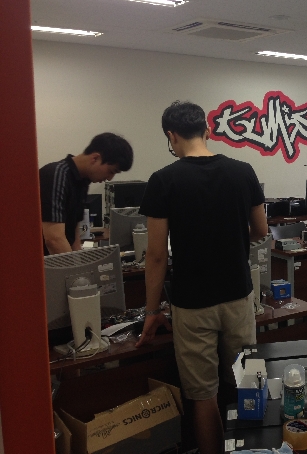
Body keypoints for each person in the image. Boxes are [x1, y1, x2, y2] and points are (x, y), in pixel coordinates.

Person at [136, 101, 268, 454]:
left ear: (171, 136)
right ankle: (255, 449)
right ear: (207, 131)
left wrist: (152, 312)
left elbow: (156, 255)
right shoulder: (244, 171)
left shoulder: (163, 180)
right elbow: (260, 230)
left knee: (203, 394)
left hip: (192, 304)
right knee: (249, 381)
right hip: (239, 297)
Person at [39, 132, 133, 255]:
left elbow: (73, 230)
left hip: (58, 260)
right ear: (95, 158)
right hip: (39, 261)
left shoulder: (82, 181)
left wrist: (80, 260)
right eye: (111, 171)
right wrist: (74, 267)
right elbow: (54, 239)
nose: (110, 178)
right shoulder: (56, 175)